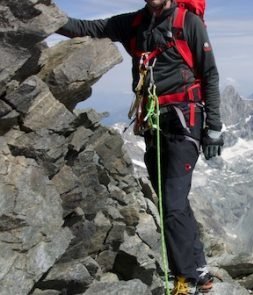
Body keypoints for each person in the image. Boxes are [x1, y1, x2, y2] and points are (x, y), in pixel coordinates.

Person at [57, 0, 224, 294]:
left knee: (171, 205)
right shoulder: (133, 24)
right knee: (172, 203)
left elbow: (209, 74)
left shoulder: (188, 23)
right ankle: (200, 270)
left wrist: (214, 128)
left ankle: (185, 279)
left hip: (185, 122)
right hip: (154, 124)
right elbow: (86, 28)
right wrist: (48, 17)